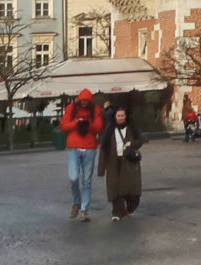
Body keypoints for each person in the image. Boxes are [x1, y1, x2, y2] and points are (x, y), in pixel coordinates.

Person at [61, 88, 104, 222]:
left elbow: (99, 127)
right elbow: (63, 126)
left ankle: (84, 209)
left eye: (86, 101)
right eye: (82, 100)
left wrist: (89, 124)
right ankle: (77, 201)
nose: (84, 103)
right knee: (73, 177)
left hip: (89, 147)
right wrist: (76, 122)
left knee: (87, 180)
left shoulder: (96, 110)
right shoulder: (71, 108)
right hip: (74, 147)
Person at [104, 101, 144, 219]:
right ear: (114, 117)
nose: (121, 118)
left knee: (132, 188)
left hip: (129, 161)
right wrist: (102, 167)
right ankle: (117, 211)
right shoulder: (110, 129)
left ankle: (131, 206)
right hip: (114, 161)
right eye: (118, 116)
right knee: (115, 187)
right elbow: (104, 147)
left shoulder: (131, 128)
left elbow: (140, 140)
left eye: (122, 115)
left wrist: (131, 144)